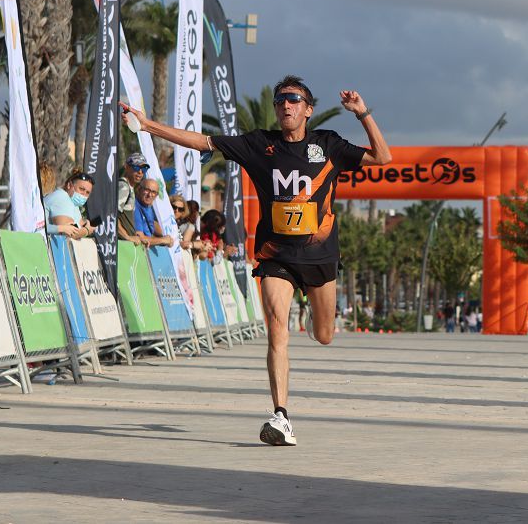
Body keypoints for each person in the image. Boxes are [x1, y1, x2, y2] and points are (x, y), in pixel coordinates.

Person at [120, 75, 391, 446]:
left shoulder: (328, 144)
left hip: (320, 255)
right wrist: (146, 124)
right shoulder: (258, 144)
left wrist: (363, 114)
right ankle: (281, 416)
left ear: (308, 109)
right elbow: (203, 141)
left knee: (325, 335)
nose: (285, 105)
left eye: (294, 100)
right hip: (276, 254)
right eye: (280, 100)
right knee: (277, 326)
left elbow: (383, 157)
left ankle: (314, 312)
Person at [43, 171, 96, 239]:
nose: (84, 194)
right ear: (69, 185)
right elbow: (69, 232)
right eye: (82, 189)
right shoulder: (62, 197)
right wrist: (87, 230)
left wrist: (85, 224)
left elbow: (76, 226)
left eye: (87, 192)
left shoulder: (73, 204)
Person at [118, 153, 149, 245]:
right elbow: (111, 216)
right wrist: (127, 237)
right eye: (136, 167)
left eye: (143, 169)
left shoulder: (130, 188)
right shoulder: (124, 187)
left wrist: (136, 235)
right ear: (127, 167)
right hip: (120, 245)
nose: (140, 172)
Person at [133, 178, 175, 248]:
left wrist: (168, 238)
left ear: (156, 195)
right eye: (147, 190)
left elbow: (152, 225)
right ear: (139, 189)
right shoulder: (135, 207)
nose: (150, 195)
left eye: (153, 192)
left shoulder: (148, 207)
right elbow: (140, 238)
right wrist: (162, 240)